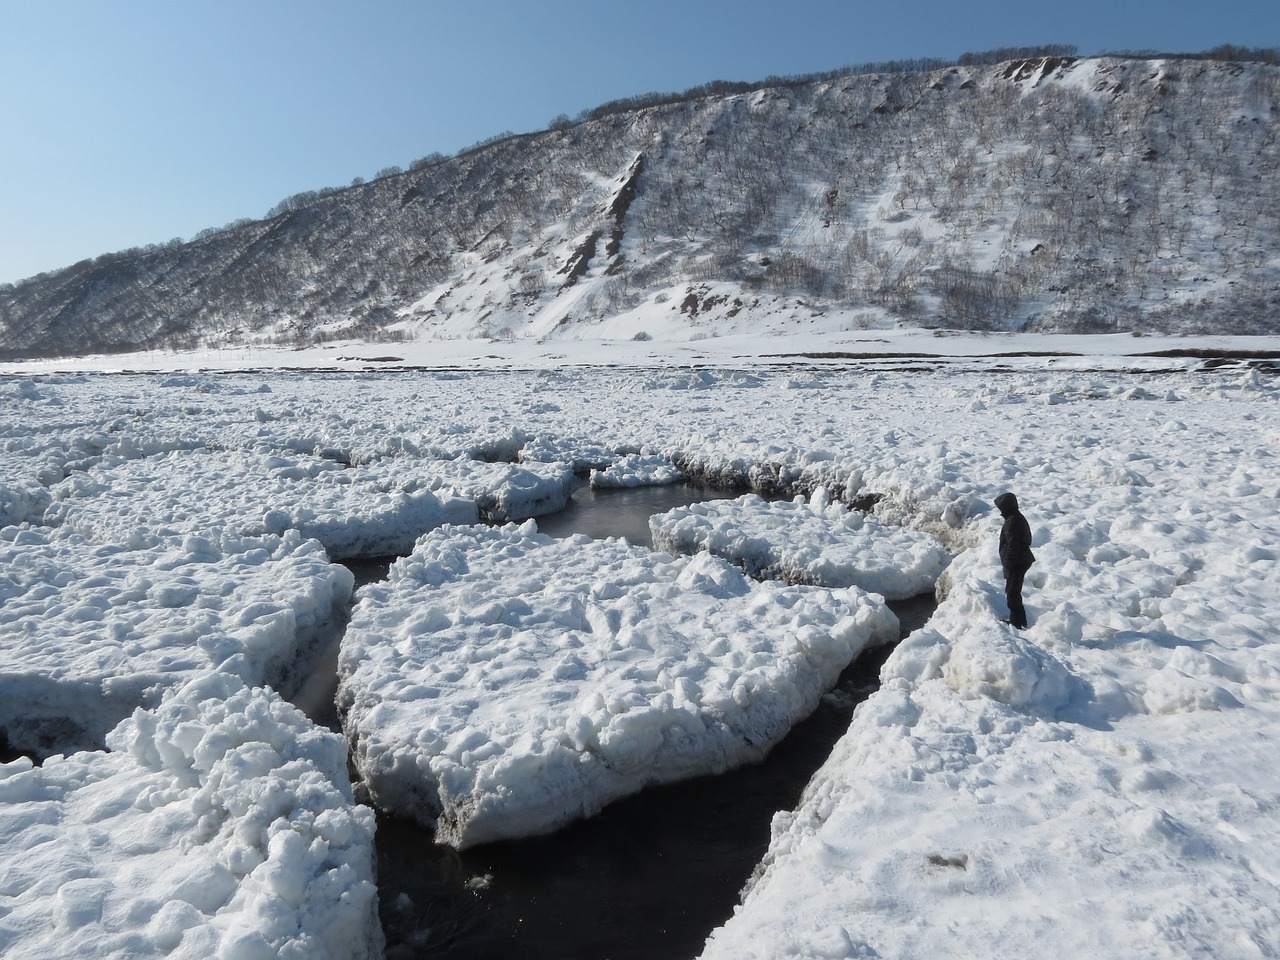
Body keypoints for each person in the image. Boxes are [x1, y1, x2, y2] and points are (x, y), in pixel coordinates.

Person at [994, 492, 1035, 628]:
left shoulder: (1012, 521)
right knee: (1013, 591)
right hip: (1021, 559)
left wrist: (1007, 565)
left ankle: (1017, 621)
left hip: (1018, 561)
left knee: (1012, 592)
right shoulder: (1016, 517)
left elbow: (1013, 546)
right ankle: (1019, 619)